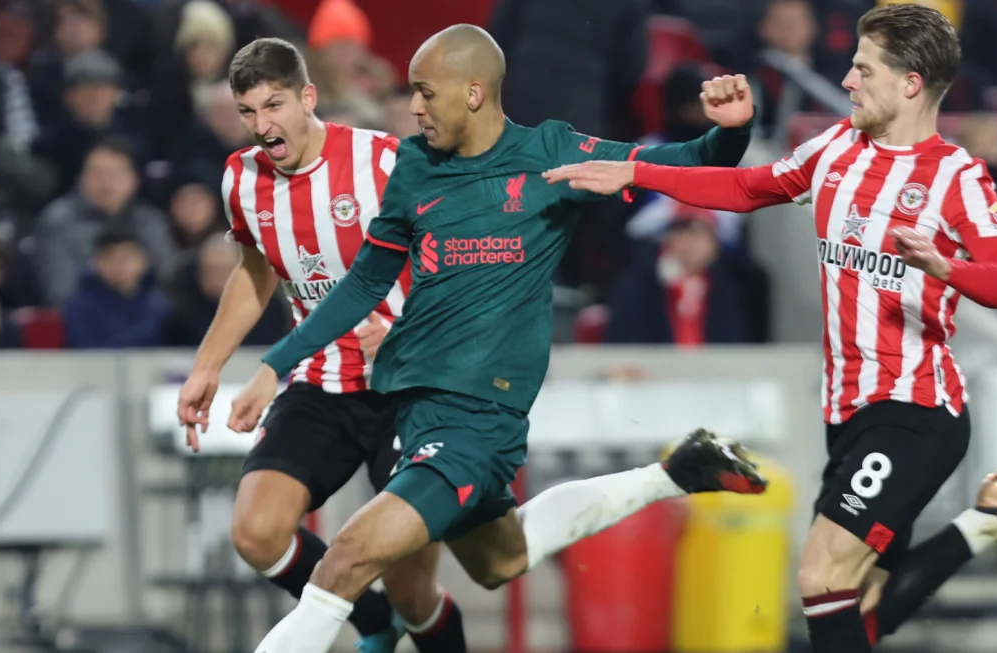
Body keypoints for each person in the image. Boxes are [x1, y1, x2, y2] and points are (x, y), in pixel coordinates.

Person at [542, 5, 997, 653]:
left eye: (862, 69)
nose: (847, 81)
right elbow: (749, 187)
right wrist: (637, 170)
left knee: (819, 575)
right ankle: (989, 517)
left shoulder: (955, 176)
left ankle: (988, 516)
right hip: (846, 413)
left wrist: (945, 264)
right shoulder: (837, 148)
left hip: (914, 410)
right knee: (856, 610)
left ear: (909, 83)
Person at [226, 24, 767, 653]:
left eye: (426, 92)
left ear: (474, 92)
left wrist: (730, 132)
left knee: (347, 558)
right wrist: (276, 365)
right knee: (499, 561)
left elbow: (691, 165)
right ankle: (675, 473)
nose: (415, 107)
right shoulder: (414, 167)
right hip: (412, 407)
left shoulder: (552, 155)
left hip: (479, 418)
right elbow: (361, 285)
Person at [175, 37, 462, 653]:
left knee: (415, 590)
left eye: (274, 105)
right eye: (248, 112)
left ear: (308, 97)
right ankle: (369, 621)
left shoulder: (384, 162)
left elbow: (458, 266)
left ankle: (413, 622)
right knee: (256, 533)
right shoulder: (241, 179)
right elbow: (256, 271)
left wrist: (409, 334)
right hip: (321, 381)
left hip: (406, 390)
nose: (262, 126)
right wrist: (207, 366)